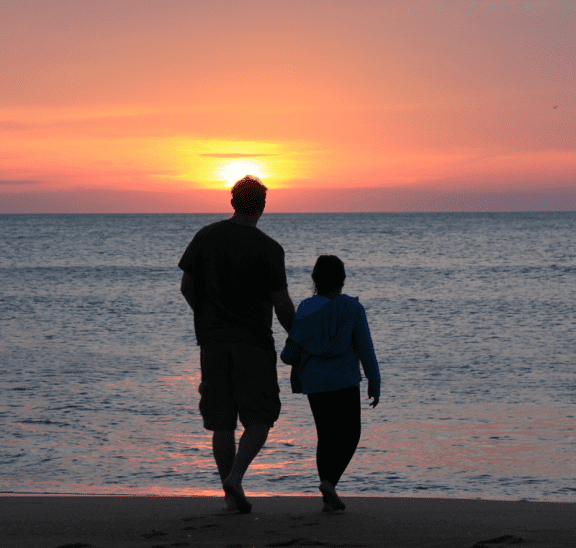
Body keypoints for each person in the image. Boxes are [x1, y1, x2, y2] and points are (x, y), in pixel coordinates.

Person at [179, 175, 296, 514]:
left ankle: (230, 497)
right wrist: (299, 338)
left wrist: (207, 316)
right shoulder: (269, 248)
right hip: (254, 344)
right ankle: (237, 476)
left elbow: (187, 286)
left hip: (213, 342)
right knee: (260, 417)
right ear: (262, 205)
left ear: (232, 202)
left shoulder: (205, 236)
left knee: (221, 422)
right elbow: (283, 305)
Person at [280, 255, 380, 512]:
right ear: (342, 280)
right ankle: (329, 483)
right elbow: (365, 348)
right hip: (344, 381)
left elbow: (289, 354)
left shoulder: (305, 308)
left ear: (315, 280)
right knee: (350, 434)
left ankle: (327, 497)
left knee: (325, 436)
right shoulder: (352, 308)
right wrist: (374, 380)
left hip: (315, 382)